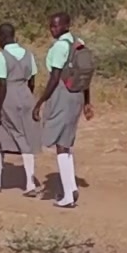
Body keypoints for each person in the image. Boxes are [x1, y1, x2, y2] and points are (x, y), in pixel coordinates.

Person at [37, 14, 92, 208]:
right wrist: (87, 102)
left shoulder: (60, 47)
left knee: (60, 144)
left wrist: (40, 102)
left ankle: (68, 194)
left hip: (62, 94)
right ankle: (71, 186)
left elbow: (54, 77)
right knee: (66, 143)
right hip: (76, 95)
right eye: (51, 26)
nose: (53, 29)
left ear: (66, 26)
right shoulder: (79, 42)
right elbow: (84, 77)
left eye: (56, 26)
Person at [0, 24, 43, 195]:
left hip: (8, 96)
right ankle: (30, 182)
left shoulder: (1, 56)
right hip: (26, 95)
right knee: (27, 136)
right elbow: (32, 80)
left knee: (0, 136)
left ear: (1, 37)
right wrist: (27, 97)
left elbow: (2, 84)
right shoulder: (28, 54)